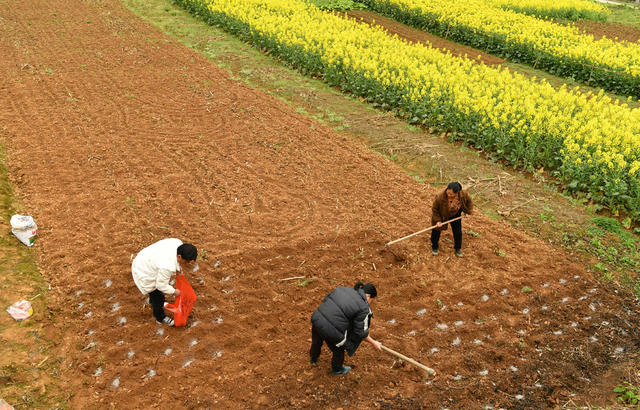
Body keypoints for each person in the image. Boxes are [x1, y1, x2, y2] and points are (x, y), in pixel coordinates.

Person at [310, 281, 382, 375]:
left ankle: (313, 358)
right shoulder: (363, 308)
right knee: (339, 350)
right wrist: (374, 343)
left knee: (316, 341)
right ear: (368, 296)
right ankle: (337, 369)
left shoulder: (342, 289)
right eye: (372, 300)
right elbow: (360, 332)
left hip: (317, 319)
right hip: (331, 331)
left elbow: (326, 300)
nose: (370, 303)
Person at [131, 238, 197, 326]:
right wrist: (174, 291)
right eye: (186, 261)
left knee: (157, 292)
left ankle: (152, 302)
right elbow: (161, 285)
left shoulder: (177, 243)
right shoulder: (167, 266)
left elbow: (173, 261)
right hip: (143, 270)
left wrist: (177, 268)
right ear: (179, 257)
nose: (187, 263)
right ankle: (160, 317)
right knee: (157, 296)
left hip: (146, 257)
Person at [431, 181, 473, 257]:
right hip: (442, 215)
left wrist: (468, 212)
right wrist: (438, 221)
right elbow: (434, 209)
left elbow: (469, 202)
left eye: (451, 194)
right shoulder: (440, 197)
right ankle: (434, 246)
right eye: (448, 192)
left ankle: (457, 248)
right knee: (436, 231)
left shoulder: (463, 195)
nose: (449, 194)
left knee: (458, 232)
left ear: (457, 193)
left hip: (456, 214)